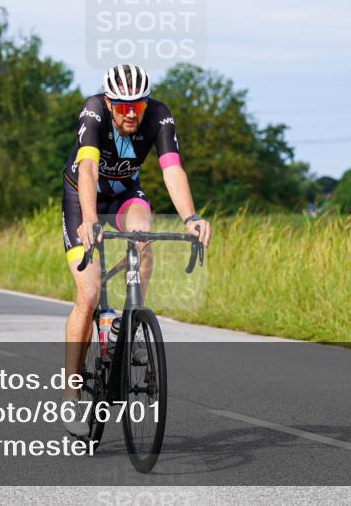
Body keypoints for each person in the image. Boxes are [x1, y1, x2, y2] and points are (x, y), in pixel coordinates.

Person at [61, 63, 211, 436]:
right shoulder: (93, 111)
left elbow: (172, 169)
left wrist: (190, 217)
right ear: (109, 102)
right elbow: (89, 171)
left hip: (127, 194)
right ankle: (71, 394)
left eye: (137, 105)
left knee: (143, 237)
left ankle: (131, 326)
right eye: (123, 106)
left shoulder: (159, 117)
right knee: (90, 293)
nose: (131, 113)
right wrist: (90, 220)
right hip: (84, 199)